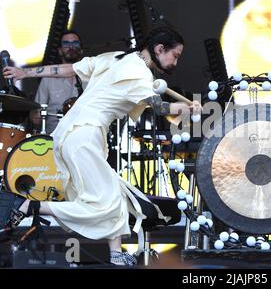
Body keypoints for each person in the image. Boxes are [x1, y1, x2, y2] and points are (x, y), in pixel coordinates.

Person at [1, 26, 201, 265]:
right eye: (175, 55)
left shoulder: (116, 58)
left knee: (112, 196)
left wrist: (25, 73)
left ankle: (115, 253)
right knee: (106, 201)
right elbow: (160, 108)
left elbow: (68, 70)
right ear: (160, 49)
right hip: (85, 137)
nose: (175, 62)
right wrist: (187, 108)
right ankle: (28, 205)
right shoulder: (139, 74)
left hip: (68, 136)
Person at [31, 30, 85, 134]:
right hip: (53, 137)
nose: (71, 47)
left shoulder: (92, 77)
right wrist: (34, 116)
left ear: (81, 50)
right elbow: (36, 110)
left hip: (84, 137)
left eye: (75, 43)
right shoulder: (48, 78)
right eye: (66, 44)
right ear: (60, 51)